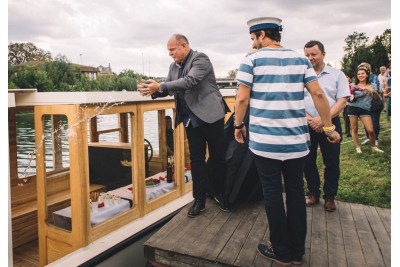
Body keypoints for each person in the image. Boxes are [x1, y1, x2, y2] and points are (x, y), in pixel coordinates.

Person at [234, 17, 341, 266]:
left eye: (253, 38)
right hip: (296, 142)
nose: (252, 44)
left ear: (261, 34)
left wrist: (238, 126)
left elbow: (241, 99)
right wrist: (328, 128)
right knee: (294, 192)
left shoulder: (251, 60)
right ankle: (297, 251)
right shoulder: (300, 59)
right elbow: (317, 93)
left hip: (265, 143)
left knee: (272, 194)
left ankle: (281, 250)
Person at [137, 33, 231, 217]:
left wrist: (161, 86)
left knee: (218, 157)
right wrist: (151, 91)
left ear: (184, 46)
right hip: (190, 119)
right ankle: (200, 200)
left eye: (172, 50)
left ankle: (221, 194)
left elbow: (189, 81)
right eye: (168, 51)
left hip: (211, 116)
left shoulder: (200, 59)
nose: (170, 54)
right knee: (196, 160)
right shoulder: (173, 66)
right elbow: (172, 88)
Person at [303, 40, 350, 212]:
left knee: (331, 162)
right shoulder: (301, 76)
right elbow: (298, 102)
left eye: (313, 54)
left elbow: (342, 100)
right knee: (308, 161)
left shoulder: (338, 75)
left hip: (331, 123)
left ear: (323, 54)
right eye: (307, 55)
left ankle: (330, 196)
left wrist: (323, 120)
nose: (310, 58)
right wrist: (312, 120)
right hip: (307, 124)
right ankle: (313, 193)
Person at [347, 66, 384, 153]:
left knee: (370, 130)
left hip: (365, 109)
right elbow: (349, 98)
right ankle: (357, 147)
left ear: (367, 74)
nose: (360, 75)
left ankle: (373, 147)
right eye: (359, 74)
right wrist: (358, 94)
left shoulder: (373, 85)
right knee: (354, 129)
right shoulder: (352, 85)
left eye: (363, 73)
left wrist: (373, 91)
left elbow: (378, 98)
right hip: (353, 108)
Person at [358, 63, 383, 146]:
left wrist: (371, 90)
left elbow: (377, 91)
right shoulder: (358, 79)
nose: (361, 73)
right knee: (366, 122)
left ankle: (375, 138)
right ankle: (368, 137)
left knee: (374, 121)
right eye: (359, 69)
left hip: (374, 104)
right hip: (365, 105)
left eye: (363, 68)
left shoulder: (373, 78)